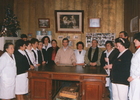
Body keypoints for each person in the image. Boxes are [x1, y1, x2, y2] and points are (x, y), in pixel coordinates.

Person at [128, 32, 140, 100]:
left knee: (135, 97)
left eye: (136, 39)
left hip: (137, 79)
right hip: (134, 79)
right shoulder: (138, 51)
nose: (134, 41)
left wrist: (133, 76)